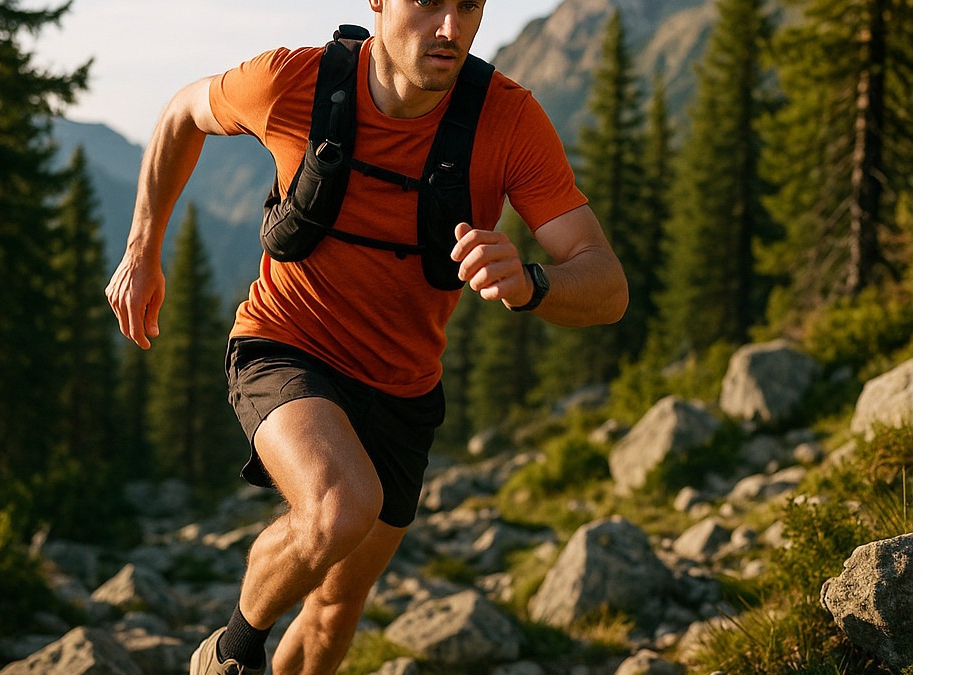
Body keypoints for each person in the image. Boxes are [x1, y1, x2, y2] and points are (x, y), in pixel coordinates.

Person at [106, 1, 628, 673]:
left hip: (402, 388)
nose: (450, 28)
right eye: (428, 3)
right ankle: (230, 653)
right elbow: (181, 112)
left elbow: (606, 285)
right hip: (284, 343)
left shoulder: (507, 119)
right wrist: (142, 250)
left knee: (334, 609)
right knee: (342, 503)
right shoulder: (289, 83)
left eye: (469, 5)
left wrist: (532, 281)